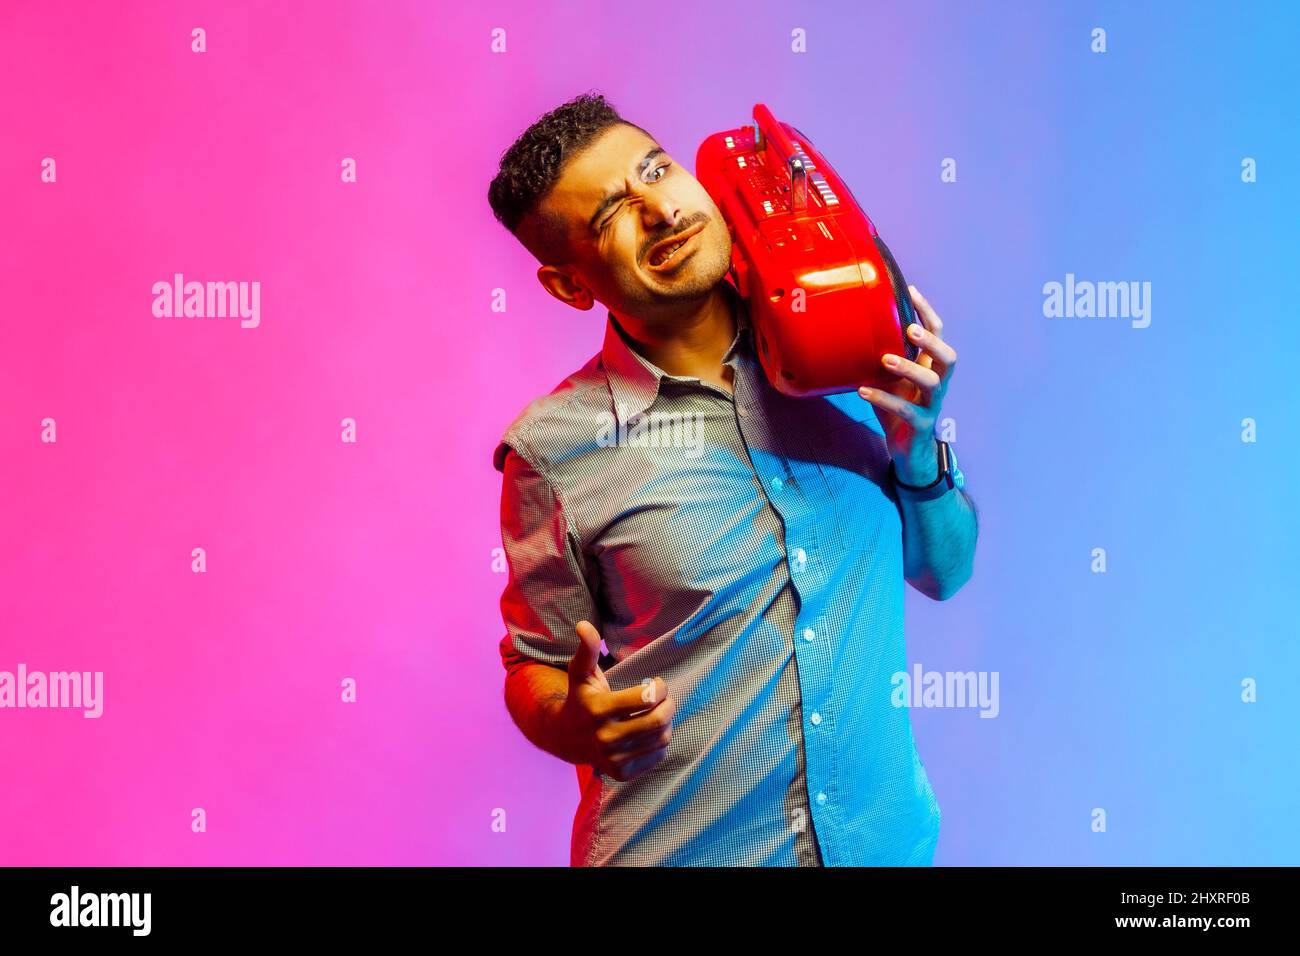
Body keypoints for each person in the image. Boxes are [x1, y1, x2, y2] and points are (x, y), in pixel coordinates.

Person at [486, 92, 979, 866]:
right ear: (569, 285)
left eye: (656, 170)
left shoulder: (845, 353)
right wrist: (569, 722)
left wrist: (919, 459)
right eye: (612, 212)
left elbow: (945, 571)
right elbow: (536, 665)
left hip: (885, 844)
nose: (660, 210)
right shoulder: (554, 449)